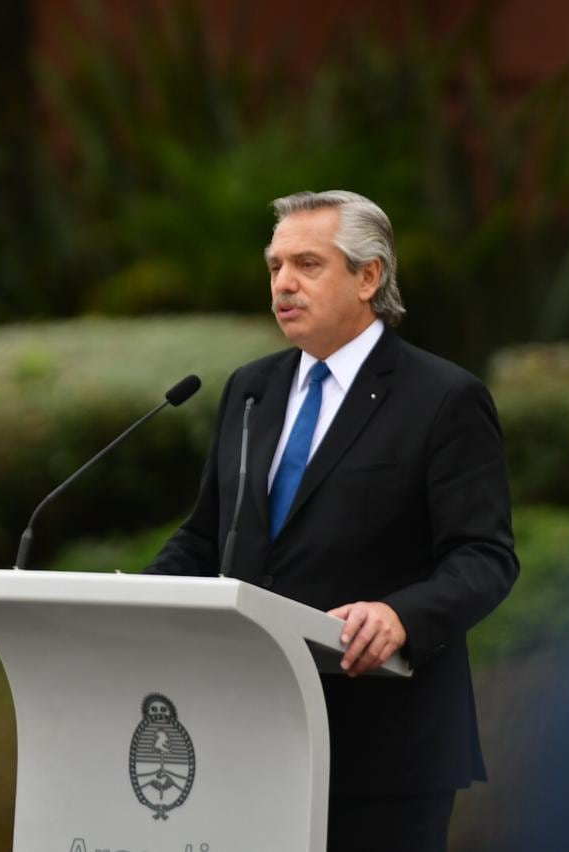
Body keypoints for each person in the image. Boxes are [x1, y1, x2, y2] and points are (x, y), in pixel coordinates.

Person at [146, 190, 518, 852]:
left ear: (369, 276)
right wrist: (136, 601)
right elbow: (207, 536)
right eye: (274, 266)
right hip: (248, 731)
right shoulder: (250, 389)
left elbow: (484, 556)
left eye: (308, 264)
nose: (283, 283)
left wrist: (402, 615)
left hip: (383, 748)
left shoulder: (443, 399)